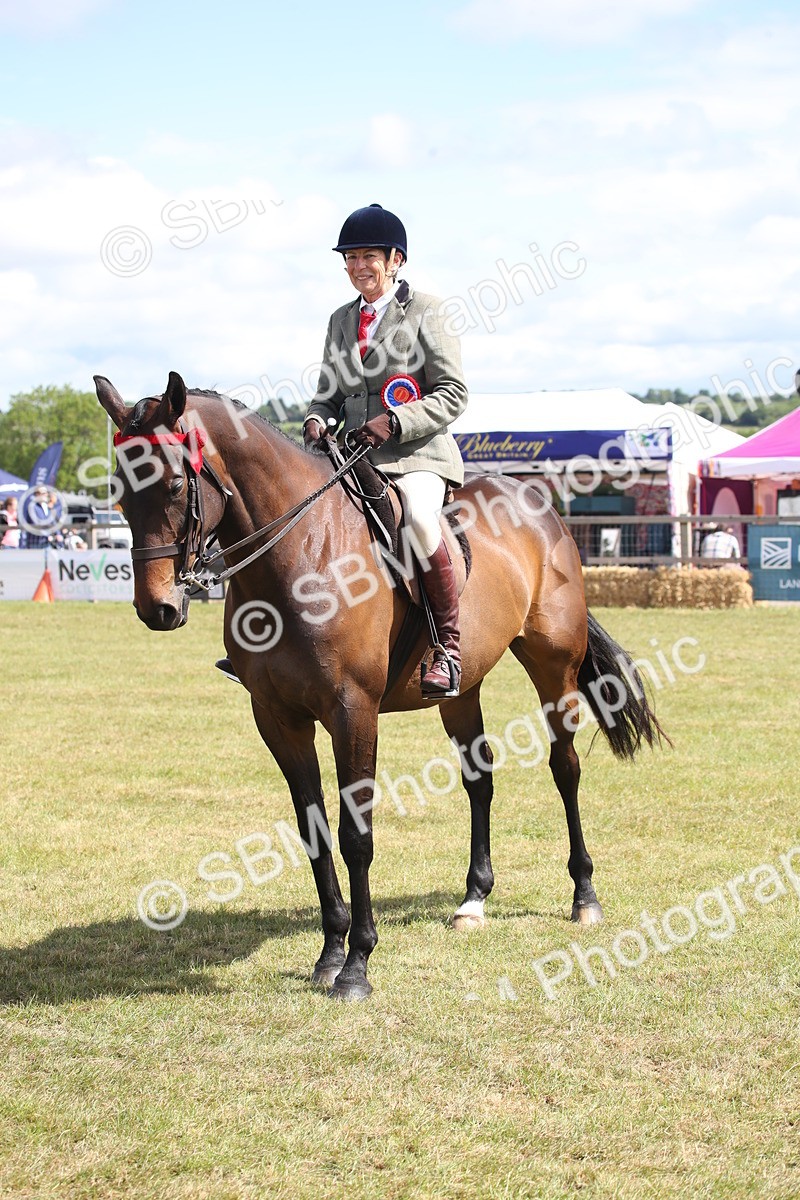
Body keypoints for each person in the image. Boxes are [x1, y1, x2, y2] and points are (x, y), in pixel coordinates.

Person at [303, 203, 468, 696]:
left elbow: (453, 392)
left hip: (416, 455)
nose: (358, 267)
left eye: (368, 256)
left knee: (418, 520)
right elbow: (329, 391)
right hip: (352, 457)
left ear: (396, 259)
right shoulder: (340, 320)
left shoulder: (427, 311)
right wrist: (315, 418)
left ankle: (448, 648)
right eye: (350, 258)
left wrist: (395, 419)